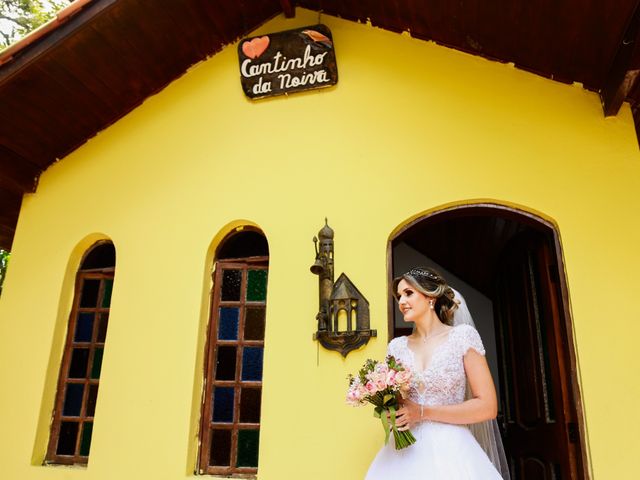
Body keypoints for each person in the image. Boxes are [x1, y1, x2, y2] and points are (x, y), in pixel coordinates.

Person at [365, 267, 509, 479]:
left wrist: (423, 412)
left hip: (453, 451)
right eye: (399, 296)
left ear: (430, 297)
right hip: (404, 454)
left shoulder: (462, 337)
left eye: (408, 293)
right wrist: (391, 413)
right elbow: (398, 406)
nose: (401, 302)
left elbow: (488, 406)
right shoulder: (396, 347)